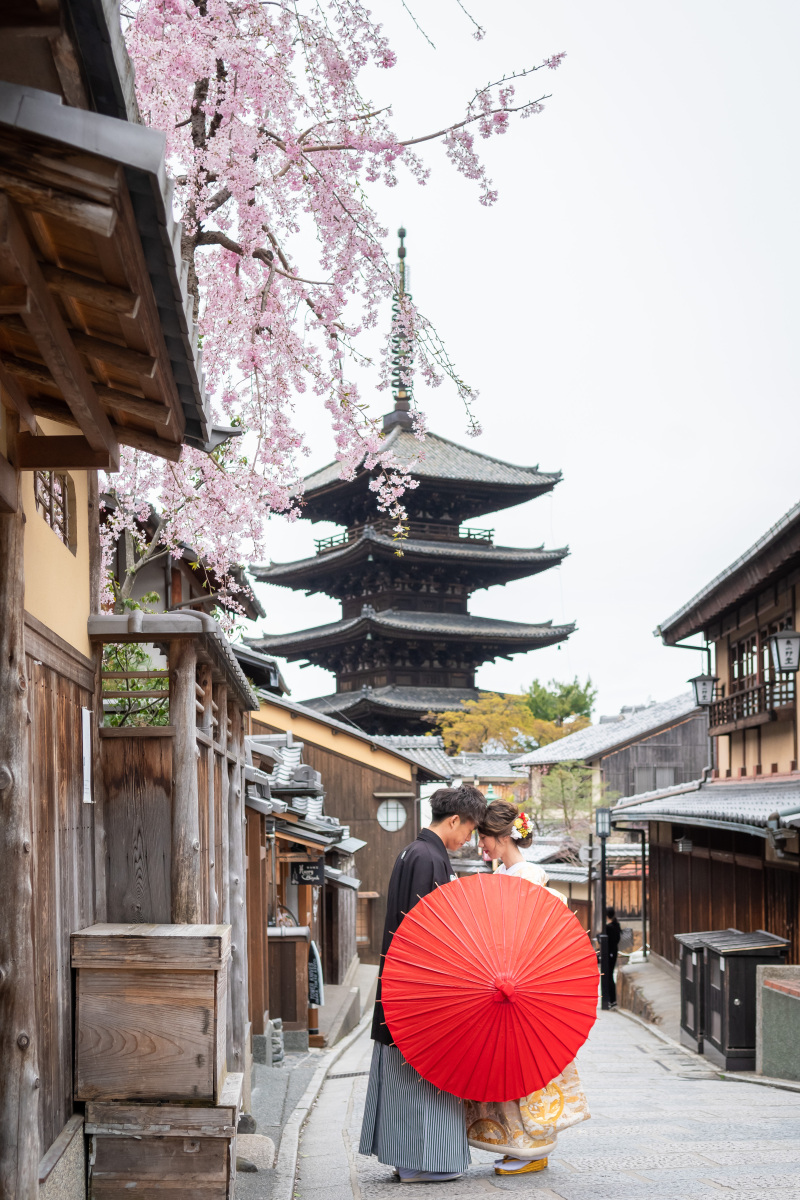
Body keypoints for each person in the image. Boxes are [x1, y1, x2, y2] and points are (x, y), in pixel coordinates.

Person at [359, 785, 487, 1184]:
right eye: (469, 829)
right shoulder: (429, 858)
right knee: (424, 1077)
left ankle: (409, 1159)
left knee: (408, 1078)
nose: (470, 838)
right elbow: (429, 933)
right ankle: (422, 1161)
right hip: (422, 991)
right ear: (454, 820)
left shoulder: (414, 852)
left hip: (404, 985)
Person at [464, 801, 591, 1177]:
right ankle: (518, 1143)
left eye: (484, 838)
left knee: (524, 1069)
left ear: (503, 837)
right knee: (507, 1067)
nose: (481, 847)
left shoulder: (526, 879)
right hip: (505, 984)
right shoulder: (511, 876)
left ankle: (533, 1146)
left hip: (522, 984)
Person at [605, 906, 621, 1008]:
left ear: (606, 915)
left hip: (609, 953)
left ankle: (611, 999)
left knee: (609, 976)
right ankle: (612, 1000)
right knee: (610, 976)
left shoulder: (609, 927)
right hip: (614, 952)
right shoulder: (616, 925)